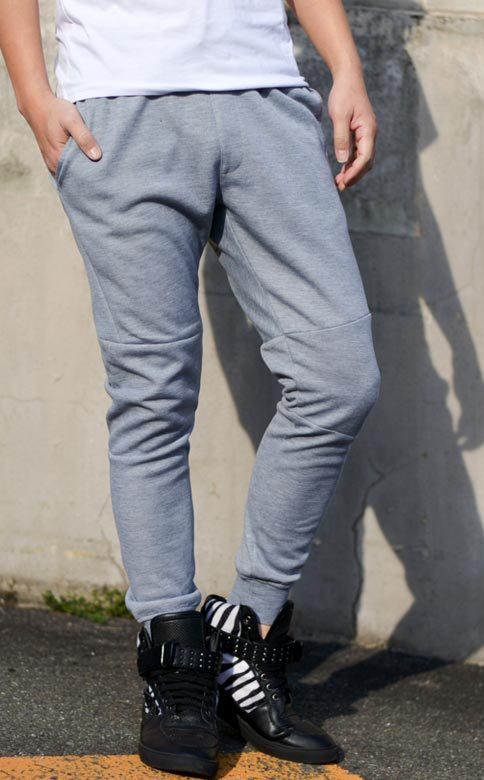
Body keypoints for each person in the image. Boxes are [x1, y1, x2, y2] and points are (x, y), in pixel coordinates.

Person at [0, 0, 381, 776]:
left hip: (266, 99)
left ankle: (247, 635)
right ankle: (174, 658)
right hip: (119, 109)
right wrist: (33, 95)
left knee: (338, 375)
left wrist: (346, 65)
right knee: (153, 394)